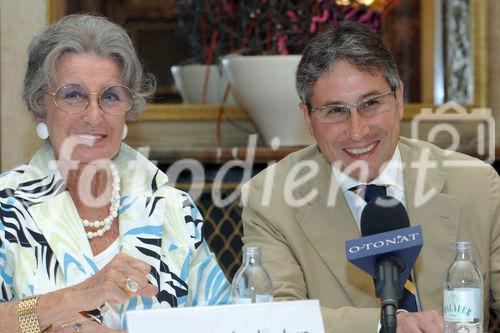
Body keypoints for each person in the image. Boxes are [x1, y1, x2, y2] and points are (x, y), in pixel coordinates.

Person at [241, 21, 500, 333]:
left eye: (371, 104)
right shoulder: (271, 199)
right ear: (308, 118)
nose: (357, 131)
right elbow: (273, 317)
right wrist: (386, 326)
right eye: (335, 111)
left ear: (399, 99)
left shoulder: (475, 184)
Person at [0, 14, 230, 333]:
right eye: (73, 95)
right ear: (41, 104)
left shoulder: (174, 210)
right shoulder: (7, 210)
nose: (94, 117)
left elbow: (228, 323)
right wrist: (71, 299)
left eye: (110, 96)